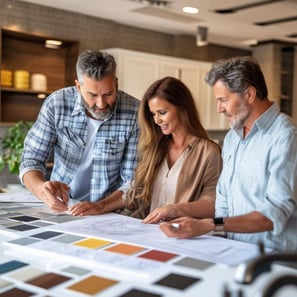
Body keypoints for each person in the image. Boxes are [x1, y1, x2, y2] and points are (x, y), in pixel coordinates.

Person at [158, 56, 297, 252]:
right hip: (231, 250)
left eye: (224, 100)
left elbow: (274, 213)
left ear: (249, 94)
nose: (219, 108)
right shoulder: (232, 138)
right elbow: (223, 200)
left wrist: (209, 224)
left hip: (272, 259)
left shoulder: (286, 136)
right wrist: (203, 228)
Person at [69, 76, 222, 218]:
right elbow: (136, 190)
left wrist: (176, 209)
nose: (157, 120)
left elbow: (212, 202)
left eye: (162, 112)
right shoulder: (154, 147)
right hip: (149, 231)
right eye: (153, 114)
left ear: (182, 107)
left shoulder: (209, 152)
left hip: (182, 235)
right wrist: (100, 206)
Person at [20, 50, 140, 213]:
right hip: (62, 206)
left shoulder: (134, 112)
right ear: (78, 86)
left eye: (108, 94)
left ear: (116, 84)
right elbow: (31, 159)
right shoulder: (57, 104)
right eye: (92, 95)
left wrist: (101, 206)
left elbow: (133, 181)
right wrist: (42, 189)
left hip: (110, 210)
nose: (101, 103)